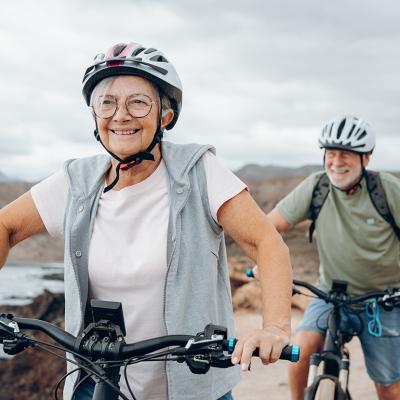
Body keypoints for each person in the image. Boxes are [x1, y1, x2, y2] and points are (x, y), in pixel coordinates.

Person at [0, 42, 293, 400]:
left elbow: (266, 243)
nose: (120, 115)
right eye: (106, 103)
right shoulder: (77, 180)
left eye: (138, 102)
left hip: (191, 379)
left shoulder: (198, 172)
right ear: (94, 116)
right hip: (95, 378)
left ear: (166, 115)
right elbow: (6, 226)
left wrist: (275, 327)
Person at [263, 115, 400, 400]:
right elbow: (266, 227)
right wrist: (260, 258)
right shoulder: (317, 186)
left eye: (346, 154)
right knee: (300, 353)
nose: (336, 161)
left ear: (366, 158)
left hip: (382, 301)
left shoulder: (387, 190)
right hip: (329, 294)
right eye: (331, 153)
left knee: (390, 387)